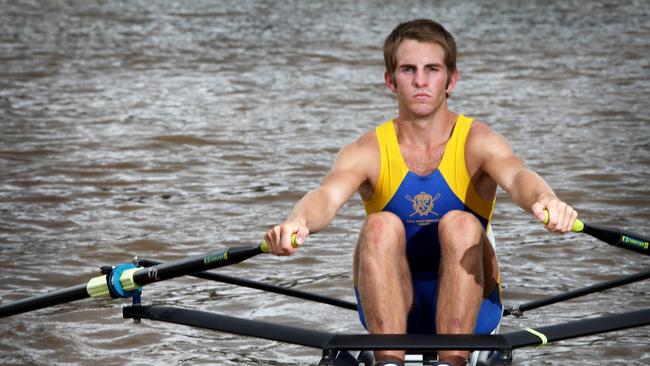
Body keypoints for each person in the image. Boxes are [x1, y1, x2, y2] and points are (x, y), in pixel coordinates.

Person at [264, 19, 577, 366]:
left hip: (474, 311)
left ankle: (454, 359)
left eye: (432, 69)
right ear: (390, 80)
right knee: (379, 225)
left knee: (461, 224)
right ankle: (388, 360)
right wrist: (297, 221)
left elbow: (519, 177)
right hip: (390, 302)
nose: (420, 81)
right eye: (408, 69)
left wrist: (545, 200)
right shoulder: (366, 149)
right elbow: (326, 195)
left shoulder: (478, 141)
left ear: (451, 79)